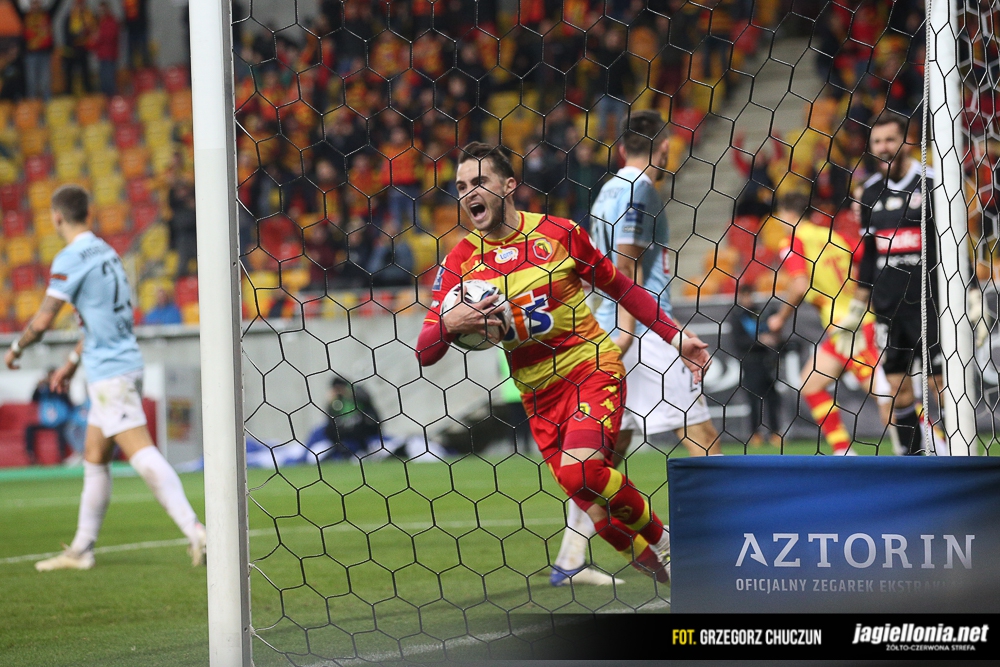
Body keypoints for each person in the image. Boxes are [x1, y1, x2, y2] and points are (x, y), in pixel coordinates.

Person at [416, 142, 713, 585]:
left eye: (479, 182)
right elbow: (424, 351)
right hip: (538, 395)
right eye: (461, 187)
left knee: (583, 471)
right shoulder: (460, 262)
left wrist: (676, 337)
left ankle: (667, 542)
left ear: (509, 185)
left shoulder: (558, 233)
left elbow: (622, 288)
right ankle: (675, 578)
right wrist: (449, 322)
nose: (469, 193)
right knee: (596, 509)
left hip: (590, 367)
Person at [551, 110, 722, 587]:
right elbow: (625, 265)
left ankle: (569, 559)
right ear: (664, 146)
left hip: (607, 330)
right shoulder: (640, 189)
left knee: (605, 456)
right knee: (702, 437)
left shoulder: (607, 189)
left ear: (623, 147)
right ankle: (724, 544)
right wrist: (630, 331)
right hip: (642, 333)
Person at [4, 185, 206, 571]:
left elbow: (43, 321)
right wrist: (72, 363)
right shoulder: (107, 252)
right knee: (95, 457)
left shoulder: (71, 257)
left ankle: (195, 529)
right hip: (121, 363)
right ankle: (81, 549)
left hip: (111, 373)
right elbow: (102, 319)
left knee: (141, 451)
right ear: (88, 214)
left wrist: (15, 349)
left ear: (56, 217)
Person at [833, 111, 974, 455]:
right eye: (877, 141)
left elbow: (955, 240)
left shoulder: (933, 183)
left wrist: (969, 291)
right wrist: (858, 303)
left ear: (907, 142)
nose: (884, 147)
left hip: (931, 303)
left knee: (942, 386)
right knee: (897, 390)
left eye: (890, 140)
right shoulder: (868, 192)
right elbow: (869, 253)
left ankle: (957, 458)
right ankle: (912, 459)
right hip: (888, 307)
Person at [766, 191, 880, 455]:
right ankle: (843, 450)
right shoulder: (833, 235)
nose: (780, 221)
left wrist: (780, 318)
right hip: (851, 321)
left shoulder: (792, 241)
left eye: (781, 215)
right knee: (811, 384)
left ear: (789, 214)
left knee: (887, 394)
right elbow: (868, 261)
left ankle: (932, 438)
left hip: (850, 328)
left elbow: (799, 285)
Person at [731, 283, 782, 447]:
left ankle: (775, 432)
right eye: (745, 295)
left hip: (767, 361)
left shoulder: (761, 312)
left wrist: (772, 339)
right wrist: (760, 341)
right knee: (754, 399)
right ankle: (755, 434)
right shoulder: (737, 316)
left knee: (772, 397)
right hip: (750, 362)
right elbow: (738, 342)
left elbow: (771, 331)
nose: (748, 299)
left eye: (750, 295)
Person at [24, 368, 75, 463]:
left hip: (60, 423)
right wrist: (38, 387)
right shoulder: (43, 391)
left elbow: (66, 400)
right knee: (29, 428)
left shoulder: (61, 390)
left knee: (62, 430)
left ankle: (62, 456)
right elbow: (33, 399)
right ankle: (31, 456)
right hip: (45, 423)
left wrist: (57, 385)